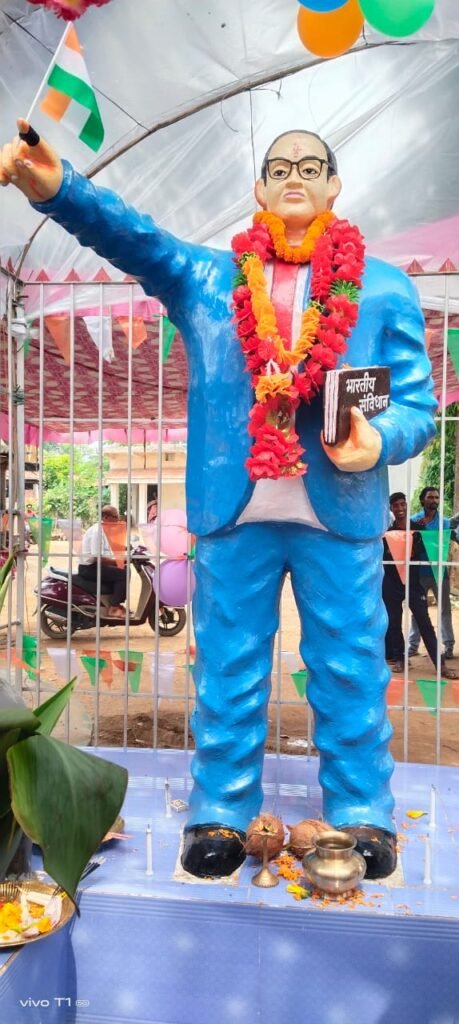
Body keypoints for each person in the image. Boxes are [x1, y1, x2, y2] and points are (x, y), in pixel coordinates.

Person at [0, 120, 437, 879]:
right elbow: (135, 237)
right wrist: (58, 188)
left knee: (350, 665)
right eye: (279, 167)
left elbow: (416, 407)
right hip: (234, 514)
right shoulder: (204, 278)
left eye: (311, 166)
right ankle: (221, 810)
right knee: (228, 667)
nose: (294, 175)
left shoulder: (385, 287)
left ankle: (362, 810)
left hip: (339, 513)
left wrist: (380, 440)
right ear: (259, 188)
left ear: (335, 185)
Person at [382, 492, 456, 679]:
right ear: (391, 509)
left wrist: (413, 547)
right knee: (394, 622)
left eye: (402, 504)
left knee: (425, 623)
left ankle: (440, 665)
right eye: (396, 506)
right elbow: (381, 556)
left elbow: (428, 549)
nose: (400, 508)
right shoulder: (386, 532)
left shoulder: (419, 530)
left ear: (407, 505)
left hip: (413, 583)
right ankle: (400, 658)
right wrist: (390, 550)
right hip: (392, 583)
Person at [408, 486, 459, 659]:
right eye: (430, 497)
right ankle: (412, 646)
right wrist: (418, 530)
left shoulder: (445, 523)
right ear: (423, 500)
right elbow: (407, 544)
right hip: (419, 573)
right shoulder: (413, 520)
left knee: (444, 610)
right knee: (418, 610)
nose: (434, 500)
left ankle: (448, 646)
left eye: (437, 497)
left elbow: (455, 538)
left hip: (440, 573)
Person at [79, 505, 127, 618]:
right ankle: (113, 608)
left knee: (124, 568)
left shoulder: (104, 529)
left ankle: (115, 603)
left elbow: (108, 547)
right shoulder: (97, 532)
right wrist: (118, 561)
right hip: (89, 568)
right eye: (115, 517)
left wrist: (125, 548)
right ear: (106, 517)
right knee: (122, 573)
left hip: (95, 565)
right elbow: (99, 558)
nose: (118, 520)